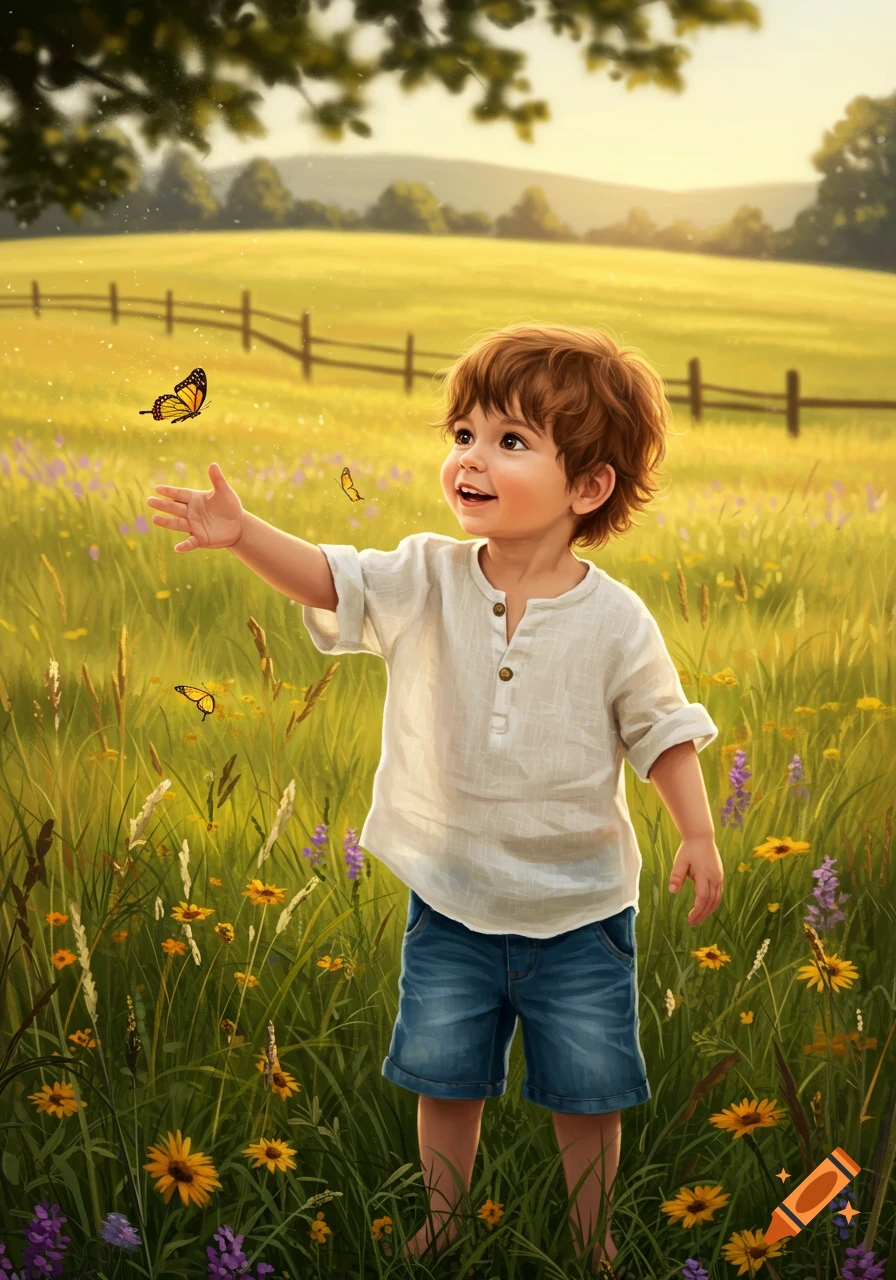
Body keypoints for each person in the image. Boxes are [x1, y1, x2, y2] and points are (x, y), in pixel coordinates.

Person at [146, 321, 723, 1278]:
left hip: (579, 910)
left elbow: (661, 729)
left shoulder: (617, 621)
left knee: (588, 1092)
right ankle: (444, 1219)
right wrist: (245, 535)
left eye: (510, 440)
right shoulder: (426, 576)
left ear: (588, 486)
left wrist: (696, 828)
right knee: (446, 1079)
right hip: (450, 900)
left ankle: (591, 1235)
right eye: (462, 433)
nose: (471, 458)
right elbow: (336, 577)